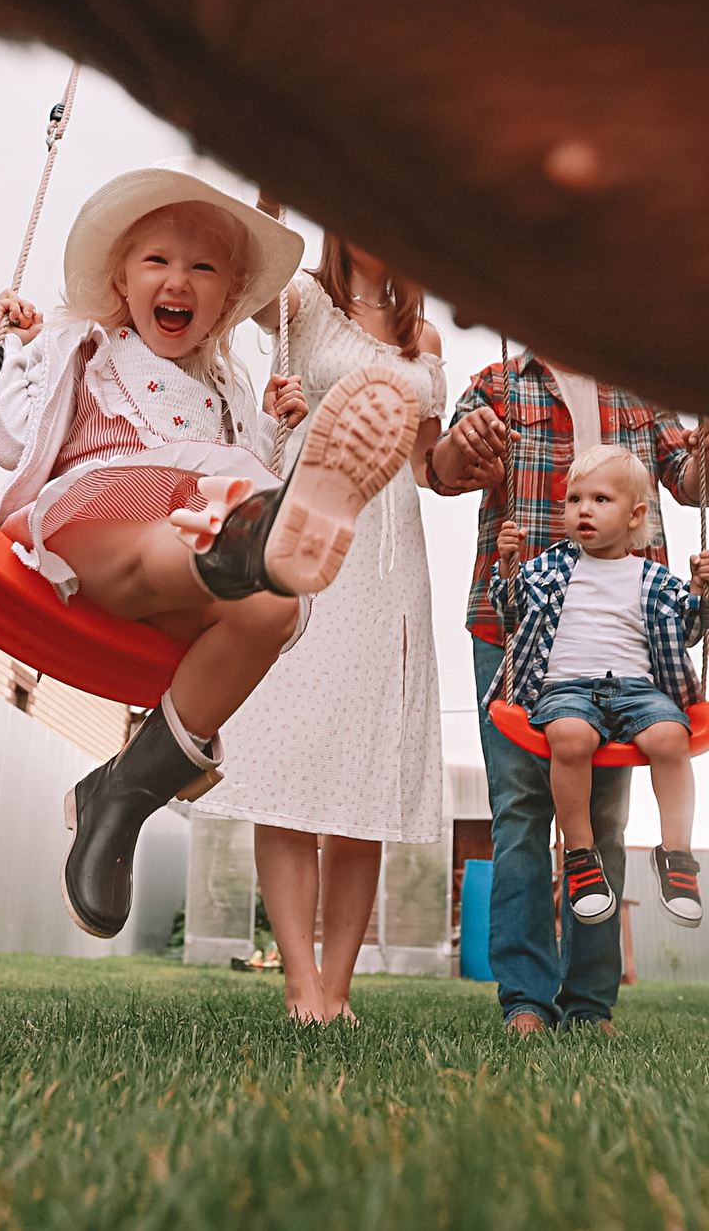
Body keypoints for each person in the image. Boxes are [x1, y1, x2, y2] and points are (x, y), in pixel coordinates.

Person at [0, 165, 417, 939]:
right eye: (157, 260)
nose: (178, 279)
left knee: (276, 604)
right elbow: (11, 435)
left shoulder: (228, 393)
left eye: (203, 267)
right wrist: (9, 345)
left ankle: (121, 796)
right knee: (177, 536)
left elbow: (235, 475)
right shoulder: (83, 346)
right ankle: (247, 545)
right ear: (121, 275)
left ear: (229, 295)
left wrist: (280, 438)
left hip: (188, 573)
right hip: (97, 539)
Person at [426, 353, 709, 1034]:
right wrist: (458, 445)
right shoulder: (498, 385)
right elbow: (443, 471)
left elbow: (691, 480)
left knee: (606, 815)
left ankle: (590, 1003)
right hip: (513, 625)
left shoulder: (641, 388)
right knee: (521, 809)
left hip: (625, 639)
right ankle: (527, 998)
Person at [195, 236, 449, 1023]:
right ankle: (300, 983)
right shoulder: (301, 300)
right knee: (297, 757)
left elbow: (427, 467)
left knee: (364, 774)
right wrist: (269, 193)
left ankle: (337, 990)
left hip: (388, 553)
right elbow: (242, 285)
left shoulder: (424, 339)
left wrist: (475, 454)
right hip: (305, 530)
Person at [488, 446, 709, 931]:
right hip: (566, 688)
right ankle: (580, 857)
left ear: (635, 516)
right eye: (574, 500)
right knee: (569, 737)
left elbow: (689, 631)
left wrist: (698, 591)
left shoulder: (653, 578)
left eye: (599, 499)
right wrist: (507, 569)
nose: (583, 510)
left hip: (638, 689)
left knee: (671, 739)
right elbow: (508, 612)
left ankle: (677, 857)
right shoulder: (549, 568)